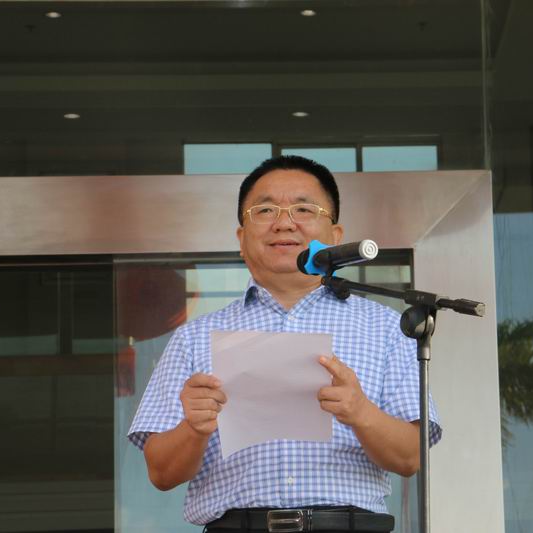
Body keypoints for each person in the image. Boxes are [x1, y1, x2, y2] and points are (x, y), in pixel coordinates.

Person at [128, 155, 442, 532]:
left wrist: (360, 411)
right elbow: (161, 473)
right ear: (241, 238)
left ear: (335, 235)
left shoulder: (386, 327)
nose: (284, 222)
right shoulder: (193, 338)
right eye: (264, 210)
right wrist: (194, 429)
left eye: (303, 209)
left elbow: (410, 457)